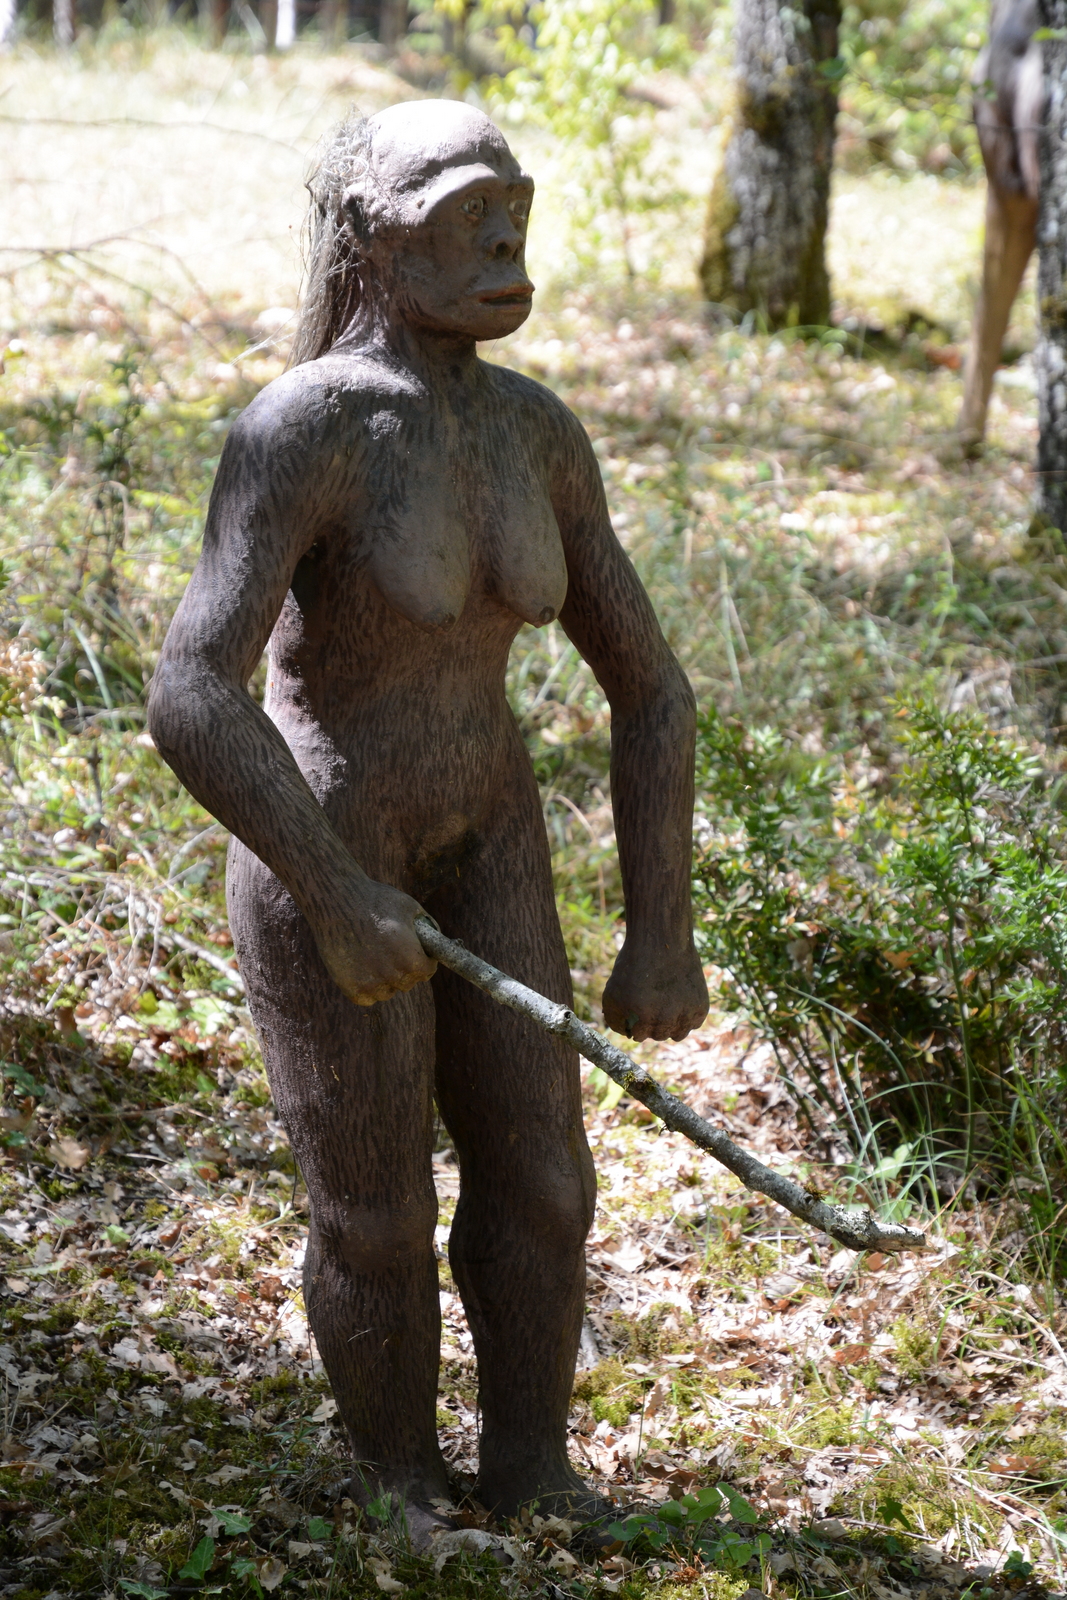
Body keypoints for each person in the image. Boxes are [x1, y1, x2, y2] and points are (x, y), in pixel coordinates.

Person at [147, 99, 708, 1546]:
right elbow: (192, 689)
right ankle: (397, 1478)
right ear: (375, 243)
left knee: (547, 1182)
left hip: (492, 837)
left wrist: (663, 927)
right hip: (329, 836)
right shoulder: (309, 426)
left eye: (515, 208)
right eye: (467, 214)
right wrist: (331, 889)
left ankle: (532, 1469)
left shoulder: (536, 432)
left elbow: (651, 689)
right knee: (376, 1210)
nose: (507, 242)